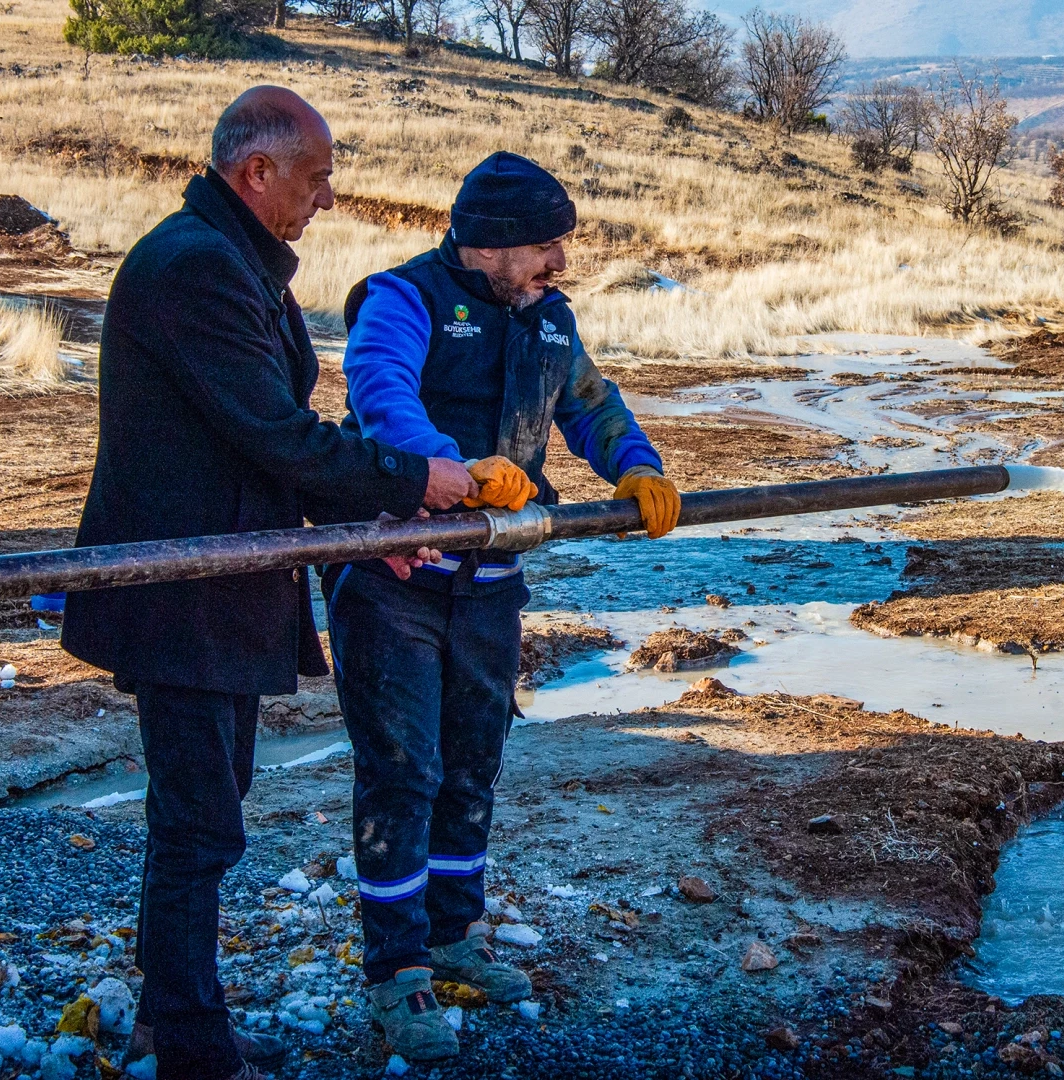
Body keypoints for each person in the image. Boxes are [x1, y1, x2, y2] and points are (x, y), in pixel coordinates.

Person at [60, 86, 477, 1080]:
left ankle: (174, 1017)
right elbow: (276, 435)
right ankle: (190, 1042)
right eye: (317, 176)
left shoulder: (228, 259)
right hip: (185, 592)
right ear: (258, 173)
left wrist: (366, 533)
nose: (328, 197)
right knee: (200, 819)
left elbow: (258, 453)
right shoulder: (198, 268)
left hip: (222, 583)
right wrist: (412, 480)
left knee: (206, 807)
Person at [326, 151, 680, 1060]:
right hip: (394, 583)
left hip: (490, 588)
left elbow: (593, 407)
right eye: (546, 245)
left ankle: (452, 940)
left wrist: (634, 464)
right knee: (402, 773)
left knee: (472, 764)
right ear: (490, 244)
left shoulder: (550, 320)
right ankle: (395, 973)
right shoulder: (400, 300)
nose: (559, 262)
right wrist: (453, 470)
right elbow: (379, 399)